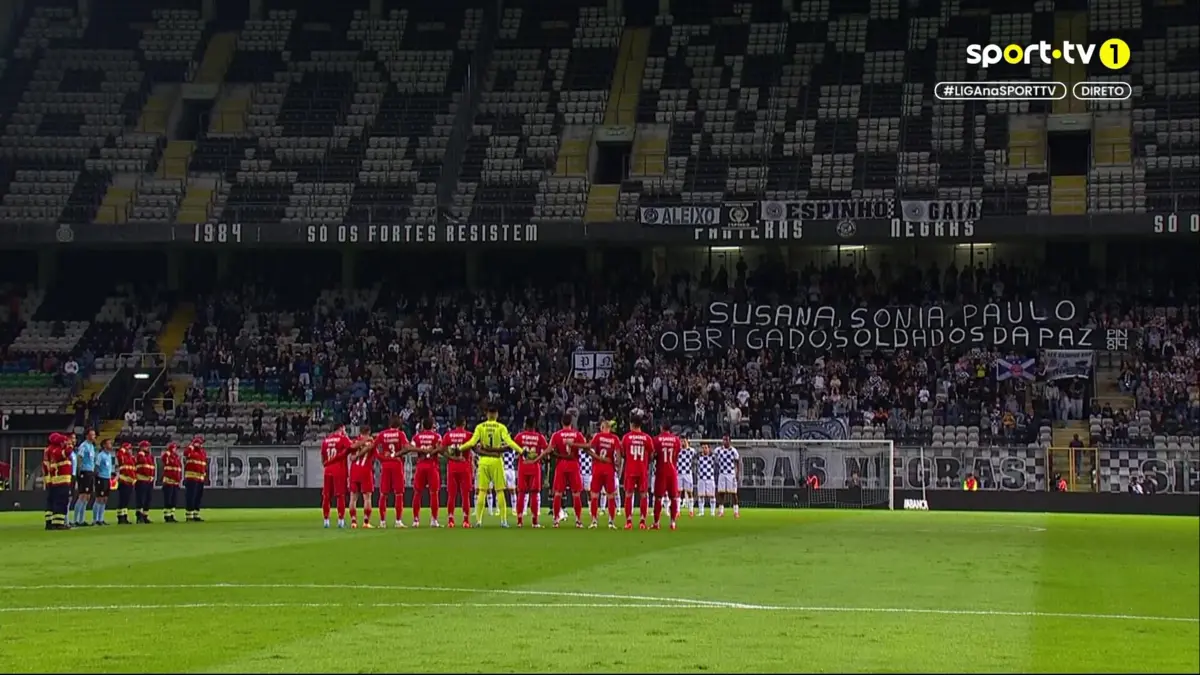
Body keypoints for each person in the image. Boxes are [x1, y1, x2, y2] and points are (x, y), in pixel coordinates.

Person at [459, 402, 523, 527]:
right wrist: (521, 451)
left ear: (487, 414)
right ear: (497, 414)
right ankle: (503, 521)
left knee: (482, 491)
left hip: (483, 461)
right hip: (497, 461)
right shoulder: (501, 427)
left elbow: (472, 442)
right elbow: (509, 442)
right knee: (500, 491)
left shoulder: (480, 427)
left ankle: (478, 521)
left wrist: (460, 448)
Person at [549, 413, 588, 528]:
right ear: (571, 422)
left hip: (561, 465)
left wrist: (558, 455)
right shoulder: (577, 434)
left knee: (558, 494)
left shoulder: (556, 435)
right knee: (576, 494)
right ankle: (578, 520)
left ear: (562, 422)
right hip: (573, 464)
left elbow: (550, 450)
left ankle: (556, 520)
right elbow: (585, 446)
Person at [619, 415, 656, 530]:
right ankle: (642, 522)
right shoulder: (647, 438)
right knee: (644, 495)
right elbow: (652, 454)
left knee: (629, 495)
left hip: (630, 469)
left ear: (632, 424)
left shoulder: (626, 438)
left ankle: (629, 521)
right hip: (642, 469)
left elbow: (623, 453)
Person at [513, 417, 549, 528]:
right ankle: (534, 522)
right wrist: (538, 458)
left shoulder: (519, 436)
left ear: (525, 424)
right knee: (534, 494)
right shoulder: (539, 437)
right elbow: (547, 450)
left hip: (523, 467)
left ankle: (519, 521)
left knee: (521, 494)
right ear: (535, 425)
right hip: (534, 467)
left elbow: (514, 450)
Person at [374, 416, 409, 529]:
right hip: (397, 464)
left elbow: (374, 448)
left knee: (383, 493)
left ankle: (382, 522)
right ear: (399, 425)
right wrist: (396, 455)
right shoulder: (400, 434)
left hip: (385, 465)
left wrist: (381, 457)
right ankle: (398, 521)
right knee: (398, 494)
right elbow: (406, 448)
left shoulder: (382, 434)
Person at [408, 418, 444, 528]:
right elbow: (441, 448)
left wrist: (421, 451)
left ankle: (415, 520)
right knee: (434, 493)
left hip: (420, 466)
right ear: (433, 425)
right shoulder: (437, 436)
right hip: (432, 466)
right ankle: (434, 520)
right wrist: (431, 451)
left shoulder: (417, 437)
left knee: (417, 493)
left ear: (422, 426)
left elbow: (411, 447)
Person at [586, 420, 620, 528]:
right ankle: (611, 522)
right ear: (609, 428)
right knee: (611, 495)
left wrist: (598, 458)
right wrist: (617, 466)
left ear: (602, 427)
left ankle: (594, 521)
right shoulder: (614, 439)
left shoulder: (597, 437)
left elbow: (588, 449)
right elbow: (618, 456)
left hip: (597, 469)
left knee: (594, 495)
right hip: (609, 469)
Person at [320, 424, 354, 528]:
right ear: (340, 429)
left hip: (327, 470)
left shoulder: (325, 441)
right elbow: (352, 447)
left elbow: (323, 458)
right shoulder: (342, 439)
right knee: (340, 495)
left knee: (326, 496)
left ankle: (326, 520)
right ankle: (341, 520)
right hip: (339, 470)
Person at [443, 417, 474, 528]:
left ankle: (451, 520)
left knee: (451, 495)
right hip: (465, 467)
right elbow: (476, 448)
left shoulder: (448, 435)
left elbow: (443, 451)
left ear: (455, 424)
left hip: (452, 467)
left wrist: (452, 458)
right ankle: (466, 521)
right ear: (464, 423)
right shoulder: (469, 435)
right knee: (465, 495)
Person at [652, 424, 682, 530]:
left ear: (661, 428)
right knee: (673, 497)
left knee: (658, 498)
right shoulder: (676, 440)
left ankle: (656, 523)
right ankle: (673, 523)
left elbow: (653, 455)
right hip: (672, 470)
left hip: (661, 470)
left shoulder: (656, 439)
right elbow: (677, 454)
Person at [347, 428, 377, 529]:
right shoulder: (371, 441)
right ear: (369, 432)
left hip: (354, 471)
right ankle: (366, 521)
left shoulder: (355, 441)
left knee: (353, 498)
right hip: (366, 471)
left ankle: (353, 521)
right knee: (367, 498)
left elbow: (351, 452)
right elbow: (374, 453)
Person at [72, 429, 97, 526]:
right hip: (84, 472)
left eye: (94, 435)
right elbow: (80, 457)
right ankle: (75, 520)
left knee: (87, 496)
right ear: (87, 436)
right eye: (92, 435)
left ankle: (81, 520)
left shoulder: (91, 446)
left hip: (90, 471)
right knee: (82, 495)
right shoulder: (84, 445)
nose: (94, 436)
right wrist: (79, 471)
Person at [183, 435, 209, 522]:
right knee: (190, 497)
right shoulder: (191, 450)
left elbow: (204, 465)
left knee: (198, 497)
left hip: (200, 478)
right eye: (198, 443)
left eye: (200, 443)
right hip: (191, 477)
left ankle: (196, 514)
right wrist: (191, 446)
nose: (199, 445)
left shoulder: (203, 453)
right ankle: (189, 515)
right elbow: (185, 453)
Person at [715, 435, 741, 518]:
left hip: (731, 474)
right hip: (722, 474)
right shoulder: (718, 450)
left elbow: (737, 462)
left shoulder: (733, 451)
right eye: (723, 440)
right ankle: (721, 511)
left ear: (730, 441)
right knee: (721, 493)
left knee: (733, 493)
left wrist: (737, 474)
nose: (724, 441)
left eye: (726, 440)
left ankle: (736, 511)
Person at [93, 439, 114, 525]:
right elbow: (97, 466)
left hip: (107, 478)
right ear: (104, 445)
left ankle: (101, 519)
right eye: (109, 443)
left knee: (105, 499)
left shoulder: (109, 455)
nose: (111, 445)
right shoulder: (100, 455)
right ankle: (95, 519)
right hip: (101, 478)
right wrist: (97, 477)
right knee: (99, 498)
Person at [134, 441, 156, 524]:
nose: (148, 448)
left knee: (148, 499)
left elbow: (152, 467)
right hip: (141, 480)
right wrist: (141, 453)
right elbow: (141, 461)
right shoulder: (140, 455)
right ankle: (139, 517)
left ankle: (145, 516)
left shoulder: (150, 457)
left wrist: (152, 476)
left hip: (149, 480)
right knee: (140, 499)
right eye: (146, 446)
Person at [115, 442, 137, 525]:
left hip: (130, 482)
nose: (130, 450)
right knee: (122, 500)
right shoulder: (122, 456)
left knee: (126, 501)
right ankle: (120, 517)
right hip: (124, 481)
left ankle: (124, 516)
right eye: (128, 448)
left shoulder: (131, 458)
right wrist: (123, 449)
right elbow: (119, 455)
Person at [161, 442, 183, 522]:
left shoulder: (176, 458)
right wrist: (168, 452)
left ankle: (172, 515)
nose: (176, 450)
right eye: (174, 448)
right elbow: (164, 459)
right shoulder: (168, 456)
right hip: (168, 482)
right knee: (168, 500)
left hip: (175, 482)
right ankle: (167, 516)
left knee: (174, 500)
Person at [677, 436, 696, 517]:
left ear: (687, 441)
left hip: (688, 473)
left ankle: (691, 510)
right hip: (679, 473)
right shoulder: (678, 450)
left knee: (689, 492)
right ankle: (677, 511)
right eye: (681, 441)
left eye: (684, 441)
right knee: (678, 492)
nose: (683, 443)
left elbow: (696, 459)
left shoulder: (691, 451)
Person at [695, 443, 716, 516]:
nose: (704, 449)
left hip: (710, 478)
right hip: (701, 478)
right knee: (701, 495)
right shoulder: (699, 457)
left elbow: (715, 453)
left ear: (709, 449)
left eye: (706, 447)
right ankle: (701, 512)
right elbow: (695, 454)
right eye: (703, 448)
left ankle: (712, 512)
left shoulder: (712, 457)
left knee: (712, 495)